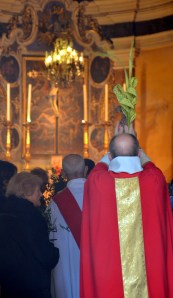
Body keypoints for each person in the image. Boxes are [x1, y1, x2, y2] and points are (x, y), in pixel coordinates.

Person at [80, 122, 173, 298]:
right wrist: (137, 145)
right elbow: (150, 166)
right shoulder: (155, 180)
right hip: (151, 276)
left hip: (108, 277)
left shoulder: (97, 182)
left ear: (109, 155)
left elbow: (99, 168)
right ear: (138, 153)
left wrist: (113, 146)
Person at [0, 171, 59, 298]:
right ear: (27, 191)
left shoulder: (3, 212)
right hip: (32, 285)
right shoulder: (31, 216)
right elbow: (43, 253)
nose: (41, 194)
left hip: (9, 284)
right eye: (38, 190)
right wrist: (55, 253)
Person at [49, 154, 86, 298]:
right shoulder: (100, 195)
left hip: (66, 263)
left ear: (63, 174)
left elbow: (52, 238)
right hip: (95, 261)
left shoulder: (55, 202)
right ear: (86, 170)